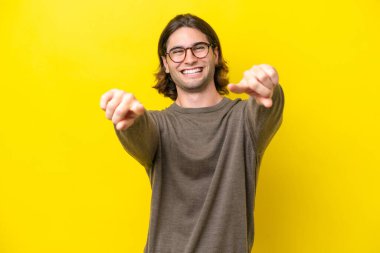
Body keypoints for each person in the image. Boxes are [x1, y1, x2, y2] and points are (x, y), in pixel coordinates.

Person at [100, 13, 284, 253]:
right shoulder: (158, 126)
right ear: (166, 63)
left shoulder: (244, 120)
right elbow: (140, 133)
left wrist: (269, 87)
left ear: (215, 54)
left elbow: (267, 108)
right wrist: (127, 119)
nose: (189, 58)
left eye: (199, 48)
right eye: (177, 51)